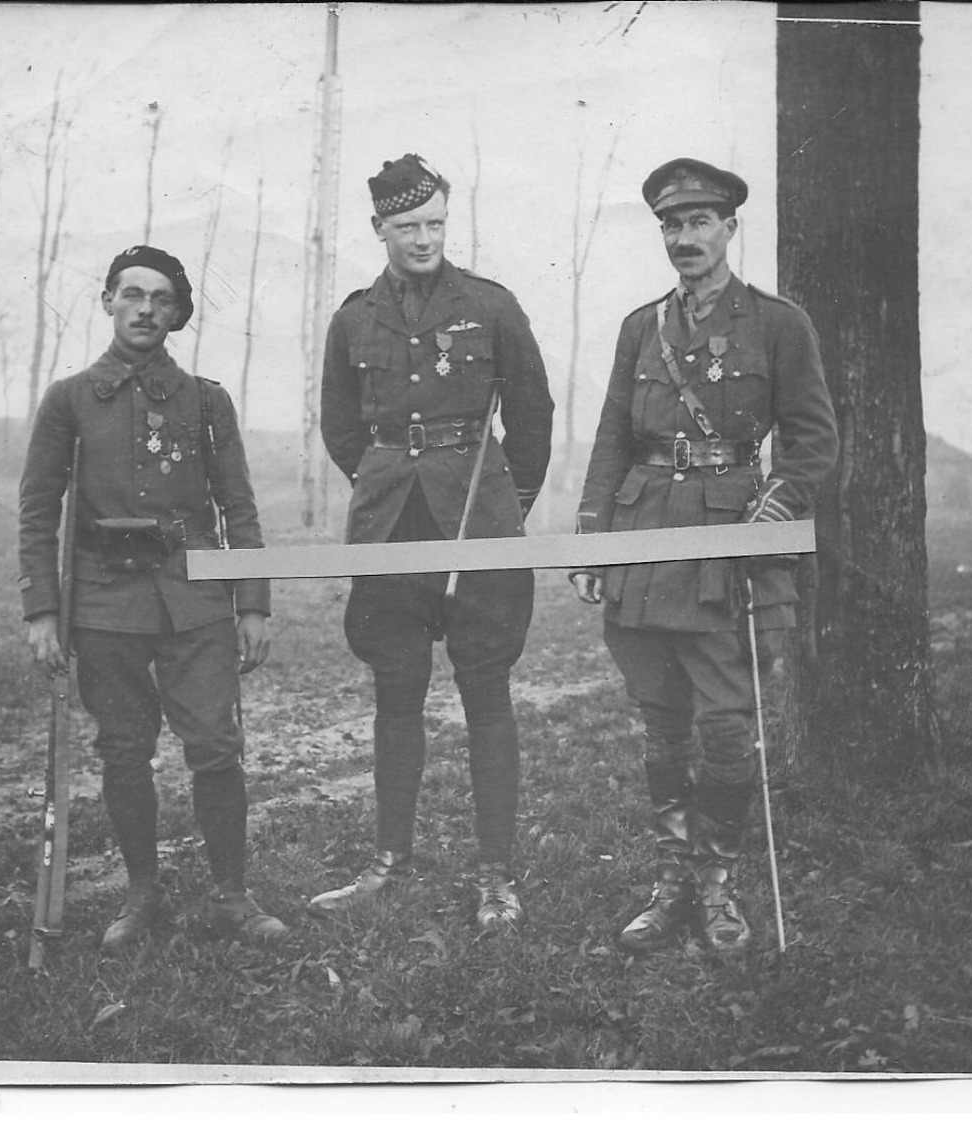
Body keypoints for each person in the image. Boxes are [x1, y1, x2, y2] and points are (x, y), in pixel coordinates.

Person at [571, 159, 838, 954]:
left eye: (699, 223)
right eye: (671, 226)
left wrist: (772, 515)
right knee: (663, 728)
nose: (684, 239)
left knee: (726, 730)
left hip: (730, 544)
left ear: (729, 228)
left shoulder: (777, 324)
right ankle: (672, 882)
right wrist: (593, 537)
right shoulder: (638, 327)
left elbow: (813, 441)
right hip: (647, 539)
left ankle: (719, 887)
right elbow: (613, 437)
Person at [18, 245, 289, 952]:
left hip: (196, 602)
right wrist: (43, 609)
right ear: (107, 301)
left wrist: (252, 602)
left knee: (215, 747)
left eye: (161, 298)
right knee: (124, 751)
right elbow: (38, 511)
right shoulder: (70, 400)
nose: (144, 309)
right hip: (104, 607)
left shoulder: (206, 400)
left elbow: (239, 506)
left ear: (178, 313)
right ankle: (143, 894)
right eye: (131, 294)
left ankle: (232, 894)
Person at [315, 154, 554, 929]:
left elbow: (534, 417)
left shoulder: (489, 305)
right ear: (378, 227)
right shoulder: (354, 317)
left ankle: (496, 875)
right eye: (408, 226)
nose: (423, 239)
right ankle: (389, 859)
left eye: (435, 224)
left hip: (478, 522)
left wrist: (502, 505)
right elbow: (342, 427)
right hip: (391, 525)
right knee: (396, 690)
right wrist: (385, 482)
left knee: (486, 690)